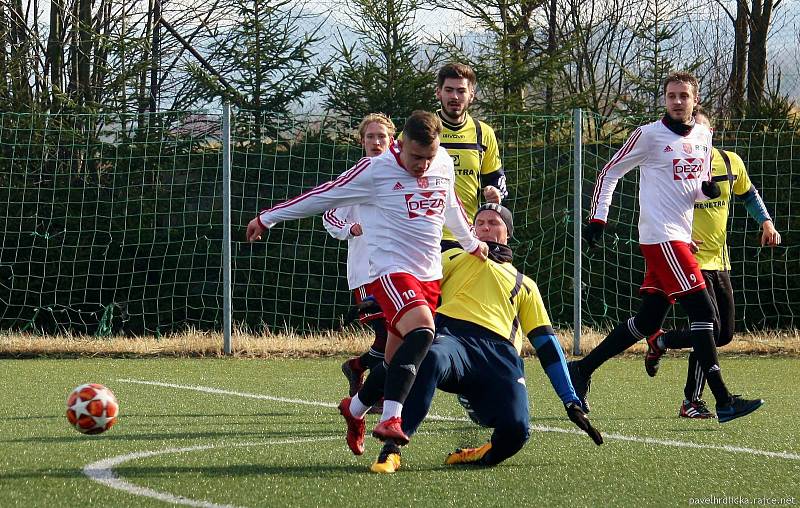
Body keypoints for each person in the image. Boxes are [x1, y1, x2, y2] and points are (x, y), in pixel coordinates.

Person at [246, 110, 489, 458]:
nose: (422, 165)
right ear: (400, 144)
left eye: (428, 158)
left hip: (429, 273)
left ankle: (355, 409)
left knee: (392, 360)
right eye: (415, 157)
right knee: (424, 332)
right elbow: (323, 196)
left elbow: (451, 204)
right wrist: (267, 218)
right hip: (390, 270)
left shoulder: (443, 162)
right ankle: (392, 417)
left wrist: (470, 243)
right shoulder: (376, 170)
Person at [569, 71, 764, 424]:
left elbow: (697, 184)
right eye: (671, 95)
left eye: (683, 96)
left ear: (695, 99)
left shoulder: (705, 135)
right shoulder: (648, 135)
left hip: (678, 239)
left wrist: (705, 190)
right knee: (705, 317)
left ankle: (581, 369)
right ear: (665, 99)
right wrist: (598, 219)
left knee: (648, 321)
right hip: (661, 238)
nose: (677, 101)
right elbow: (608, 173)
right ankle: (722, 399)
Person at [369, 204, 603, 474]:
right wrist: (375, 298)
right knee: (430, 356)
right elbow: (414, 280)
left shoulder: (525, 283)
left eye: (494, 222)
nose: (485, 227)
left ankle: (484, 453)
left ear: (507, 233)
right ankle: (391, 449)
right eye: (479, 222)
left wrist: (570, 400)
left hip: (500, 356)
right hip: (454, 341)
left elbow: (547, 346)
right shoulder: (454, 256)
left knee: (517, 430)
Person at [643, 110, 782, 419]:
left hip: (720, 261)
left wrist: (767, 223)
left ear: (710, 133)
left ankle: (662, 340)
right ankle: (693, 400)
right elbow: (660, 203)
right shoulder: (677, 166)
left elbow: (748, 195)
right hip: (687, 258)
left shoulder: (730, 162)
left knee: (723, 334)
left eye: (700, 132)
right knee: (708, 326)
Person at [323, 114, 394, 408]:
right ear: (362, 141)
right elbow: (329, 215)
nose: (376, 142)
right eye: (371, 137)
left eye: (382, 137)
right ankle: (374, 393)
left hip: (397, 271)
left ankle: (357, 367)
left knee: (400, 334)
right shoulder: (356, 178)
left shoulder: (401, 179)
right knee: (386, 333)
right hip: (366, 273)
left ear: (392, 141)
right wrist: (349, 228)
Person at [435, 63, 507, 249]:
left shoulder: (483, 133)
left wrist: (495, 191)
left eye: (461, 91)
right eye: (449, 90)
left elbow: (496, 178)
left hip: (468, 236)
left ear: (471, 95)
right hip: (426, 234)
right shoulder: (421, 129)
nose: (455, 97)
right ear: (438, 93)